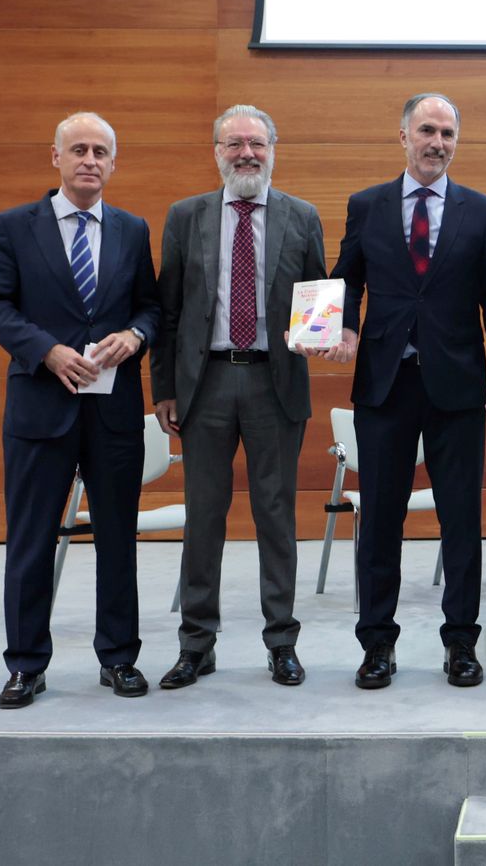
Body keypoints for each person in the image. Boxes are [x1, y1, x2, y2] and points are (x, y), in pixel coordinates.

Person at [332, 93, 486, 689]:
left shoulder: (481, 210)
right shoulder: (366, 205)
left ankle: (461, 643)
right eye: (426, 131)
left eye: (447, 133)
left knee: (460, 519)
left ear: (456, 142)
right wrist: (343, 325)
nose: (436, 142)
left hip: (458, 385)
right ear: (403, 136)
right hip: (384, 385)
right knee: (381, 519)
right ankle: (377, 645)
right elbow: (347, 279)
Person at [0, 111, 160, 708]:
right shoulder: (12, 227)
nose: (89, 160)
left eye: (100, 151)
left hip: (113, 414)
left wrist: (135, 336)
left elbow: (150, 308)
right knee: (29, 541)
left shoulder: (133, 230)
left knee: (117, 540)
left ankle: (119, 658)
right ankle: (26, 664)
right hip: (39, 409)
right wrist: (46, 351)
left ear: (113, 162)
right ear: (54, 157)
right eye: (77, 149)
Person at [149, 105, 330, 691]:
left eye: (256, 142)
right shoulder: (186, 216)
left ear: (274, 148)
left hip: (274, 385)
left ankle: (282, 643)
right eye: (234, 144)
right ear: (216, 151)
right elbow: (168, 311)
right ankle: (196, 645)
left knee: (275, 516)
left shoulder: (302, 216)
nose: (246, 153)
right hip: (204, 386)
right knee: (204, 517)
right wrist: (164, 390)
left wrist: (322, 333)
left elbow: (317, 299)